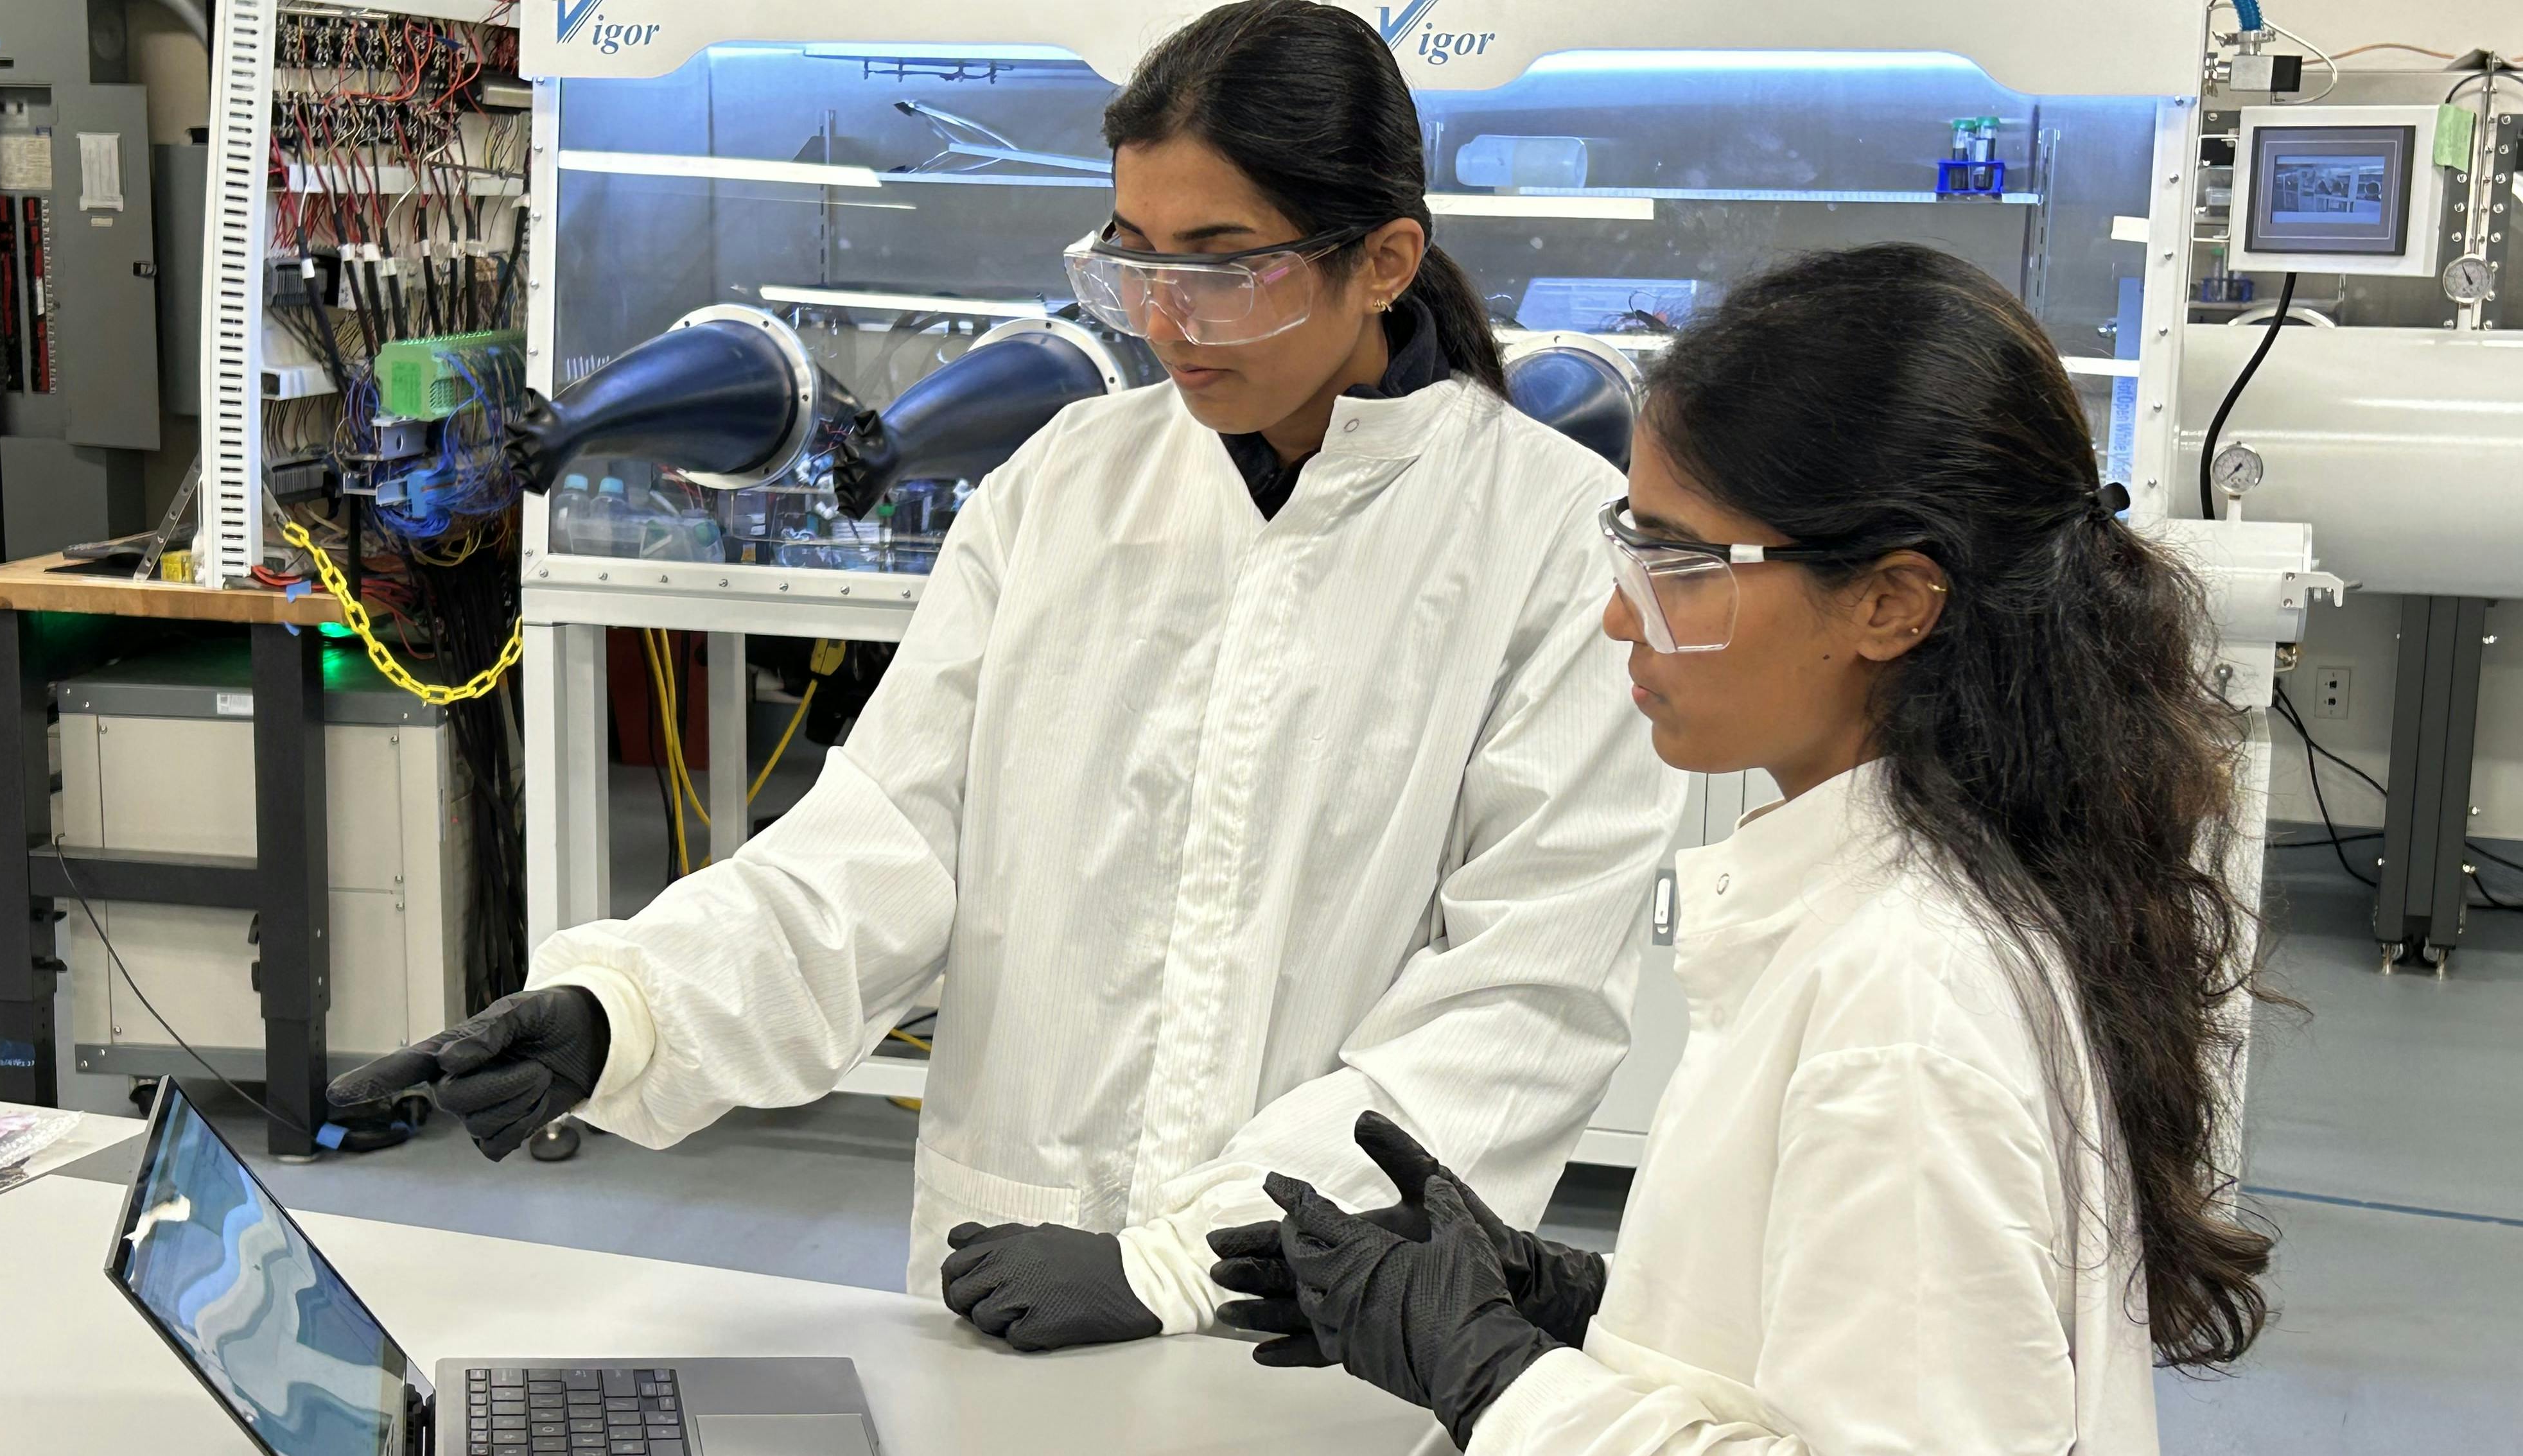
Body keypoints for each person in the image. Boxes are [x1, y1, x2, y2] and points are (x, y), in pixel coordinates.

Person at [330, 0, 1678, 1355]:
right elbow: (888, 845)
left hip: (1311, 1320)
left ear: (1385, 261)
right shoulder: (1066, 486)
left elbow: (1520, 998)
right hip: (1009, 1272)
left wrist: (1180, 1264)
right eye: (1136, 263)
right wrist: (621, 1010)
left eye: (1223, 267)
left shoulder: (1549, 542)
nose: (1170, 321)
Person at [1211, 244, 2278, 1453]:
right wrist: (1563, 1306)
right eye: (1632, 538)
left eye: (1681, 561)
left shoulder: (1902, 997)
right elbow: (1818, 1351)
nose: (1620, 610)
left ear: (1891, 602)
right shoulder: (1901, 913)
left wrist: (1493, 1376)